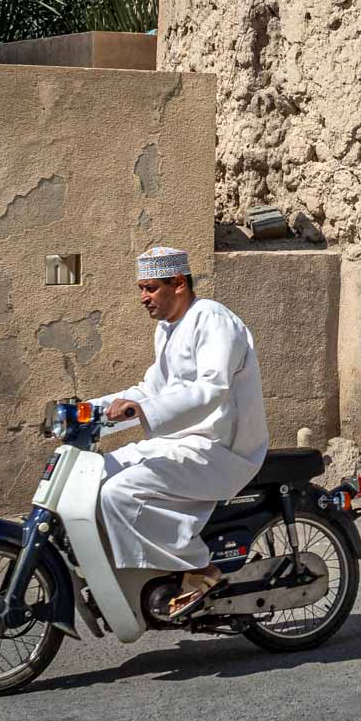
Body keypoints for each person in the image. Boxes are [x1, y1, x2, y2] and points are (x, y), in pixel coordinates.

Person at [91, 246, 270, 618]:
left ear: (178, 283)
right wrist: (88, 412)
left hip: (220, 448)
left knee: (121, 492)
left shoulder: (213, 321)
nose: (143, 298)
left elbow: (211, 389)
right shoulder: (168, 330)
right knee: (96, 475)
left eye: (150, 288)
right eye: (141, 289)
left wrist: (145, 410)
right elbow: (150, 390)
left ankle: (200, 569)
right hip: (180, 443)